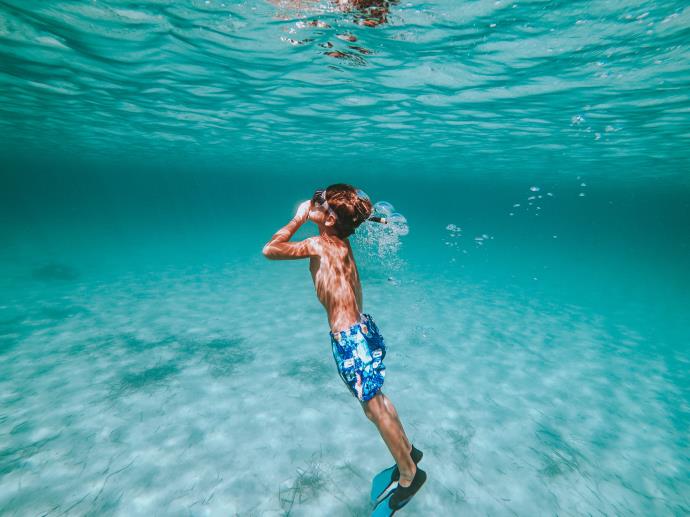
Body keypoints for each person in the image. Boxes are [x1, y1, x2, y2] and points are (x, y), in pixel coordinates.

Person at [262, 184, 426, 511]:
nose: (312, 204)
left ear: (330, 218)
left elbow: (270, 249)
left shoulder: (319, 245)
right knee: (375, 402)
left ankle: (410, 474)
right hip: (362, 329)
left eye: (318, 203)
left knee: (373, 407)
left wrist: (297, 218)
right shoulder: (340, 241)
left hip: (349, 338)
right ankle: (408, 451)